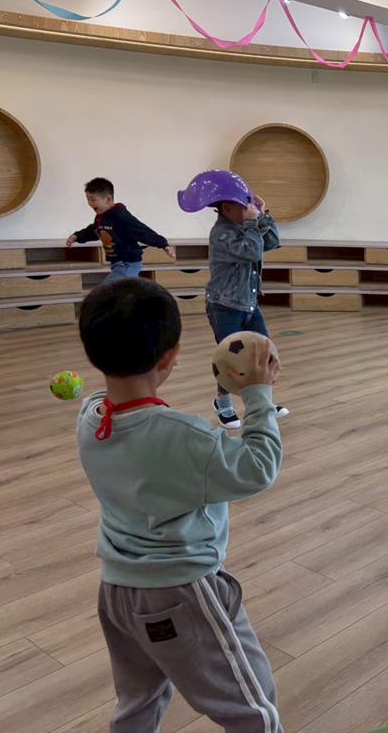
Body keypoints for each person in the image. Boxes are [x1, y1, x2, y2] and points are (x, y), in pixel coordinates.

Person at [76, 277, 284, 732]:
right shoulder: (184, 436)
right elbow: (258, 468)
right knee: (254, 709)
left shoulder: (90, 417)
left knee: (139, 700)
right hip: (179, 591)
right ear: (171, 357)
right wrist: (257, 396)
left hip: (117, 591)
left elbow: (103, 400)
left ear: (92, 352)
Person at [177, 170, 288, 429]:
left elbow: (271, 242)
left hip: (248, 303)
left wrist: (263, 215)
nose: (250, 210)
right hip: (224, 306)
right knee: (229, 357)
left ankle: (262, 402)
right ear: (226, 208)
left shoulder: (245, 226)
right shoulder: (221, 233)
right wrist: (252, 224)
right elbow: (252, 251)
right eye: (244, 206)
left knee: (264, 352)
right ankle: (223, 403)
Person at [67, 177, 175, 283]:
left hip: (128, 263)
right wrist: (77, 236)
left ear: (108, 199)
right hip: (117, 263)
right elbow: (94, 230)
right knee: (126, 291)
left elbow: (141, 230)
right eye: (88, 199)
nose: (90, 203)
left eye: (93, 199)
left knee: (108, 290)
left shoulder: (120, 216)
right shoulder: (102, 217)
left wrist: (163, 244)